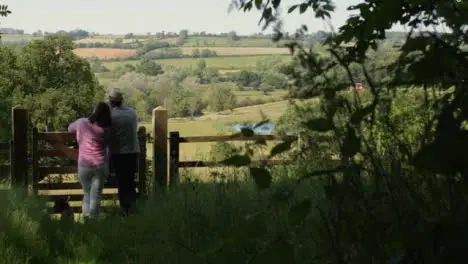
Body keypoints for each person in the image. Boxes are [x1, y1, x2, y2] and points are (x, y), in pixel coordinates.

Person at [67, 102, 112, 221]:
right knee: (96, 194)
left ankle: (86, 218)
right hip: (100, 165)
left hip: (84, 165)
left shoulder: (81, 122)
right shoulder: (106, 130)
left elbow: (69, 128)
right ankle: (92, 220)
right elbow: (109, 146)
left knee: (87, 193)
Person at [107, 88, 140, 215]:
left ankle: (124, 209)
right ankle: (132, 207)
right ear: (122, 100)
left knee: (121, 181)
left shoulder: (111, 116)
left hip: (118, 153)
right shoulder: (132, 112)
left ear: (111, 101)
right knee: (130, 181)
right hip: (132, 152)